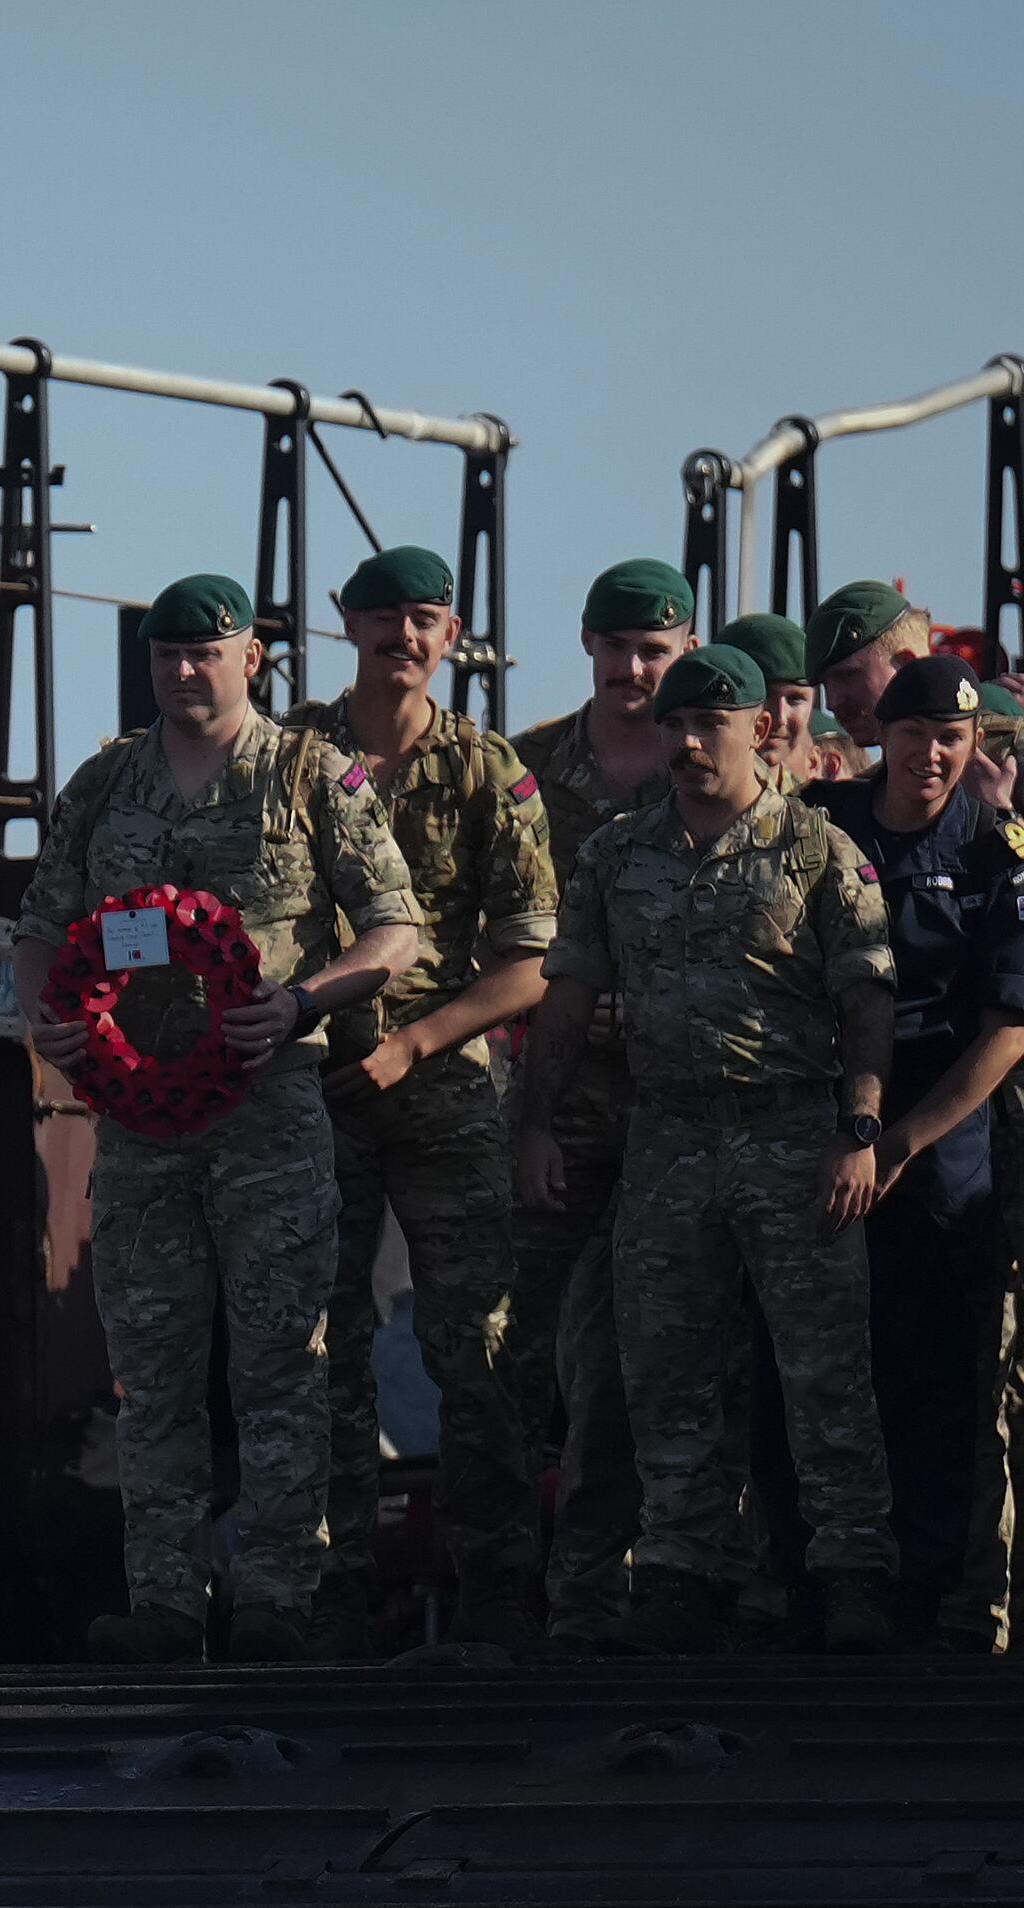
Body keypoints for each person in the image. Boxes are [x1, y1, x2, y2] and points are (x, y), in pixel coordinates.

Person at [20, 574, 424, 1660]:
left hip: (267, 1112)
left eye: (204, 653)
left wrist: (302, 1001)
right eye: (165, 654)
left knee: (276, 1361)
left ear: (252, 656)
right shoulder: (106, 783)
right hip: (139, 1124)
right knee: (150, 1365)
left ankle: (276, 1599)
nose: (181, 671)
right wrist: (41, 1022)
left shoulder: (306, 776)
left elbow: (396, 930)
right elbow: (40, 925)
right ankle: (161, 1600)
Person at [520, 638, 902, 1653]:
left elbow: (864, 997)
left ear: (760, 729)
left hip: (790, 1131)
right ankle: (682, 1569)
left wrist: (858, 1127)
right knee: (666, 1370)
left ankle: (848, 1568)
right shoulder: (613, 854)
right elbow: (566, 998)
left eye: (709, 725)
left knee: (822, 1369)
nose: (688, 743)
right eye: (675, 726)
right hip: (667, 1135)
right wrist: (533, 1122)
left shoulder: (818, 850)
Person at [804, 582, 1024, 1652]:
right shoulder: (856, 794)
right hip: (931, 1084)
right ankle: (971, 1602)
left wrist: (1010, 839)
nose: (850, 706)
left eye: (857, 679)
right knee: (954, 1354)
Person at [292, 544, 558, 1644]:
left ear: (450, 636)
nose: (401, 639)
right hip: (309, 1085)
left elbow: (532, 958)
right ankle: (328, 1584)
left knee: (475, 1346)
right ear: (342, 625)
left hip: (442, 1089)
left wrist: (418, 1043)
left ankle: (495, 1588)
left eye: (424, 621)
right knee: (317, 1342)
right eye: (381, 619)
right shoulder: (291, 754)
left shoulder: (489, 773)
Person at [808, 657, 1024, 1647]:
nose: (930, 754)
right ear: (883, 737)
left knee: (941, 1367)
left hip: (938, 1129)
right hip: (825, 1117)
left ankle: (932, 1594)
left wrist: (902, 1143)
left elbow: (1007, 1024)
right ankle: (820, 1578)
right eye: (913, 735)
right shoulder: (822, 825)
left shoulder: (1001, 850)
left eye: (951, 738)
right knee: (824, 1359)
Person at [505, 558, 703, 1646]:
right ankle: (542, 1590)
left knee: (666, 1349)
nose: (634, 670)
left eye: (655, 650)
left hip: (688, 1098)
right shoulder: (530, 772)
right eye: (617, 649)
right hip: (562, 1088)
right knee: (531, 1346)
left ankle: (679, 1583)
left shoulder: (721, 763)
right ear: (585, 648)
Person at [720, 610, 834, 789]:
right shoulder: (677, 803)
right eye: (765, 697)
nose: (780, 717)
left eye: (795, 699)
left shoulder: (816, 809)